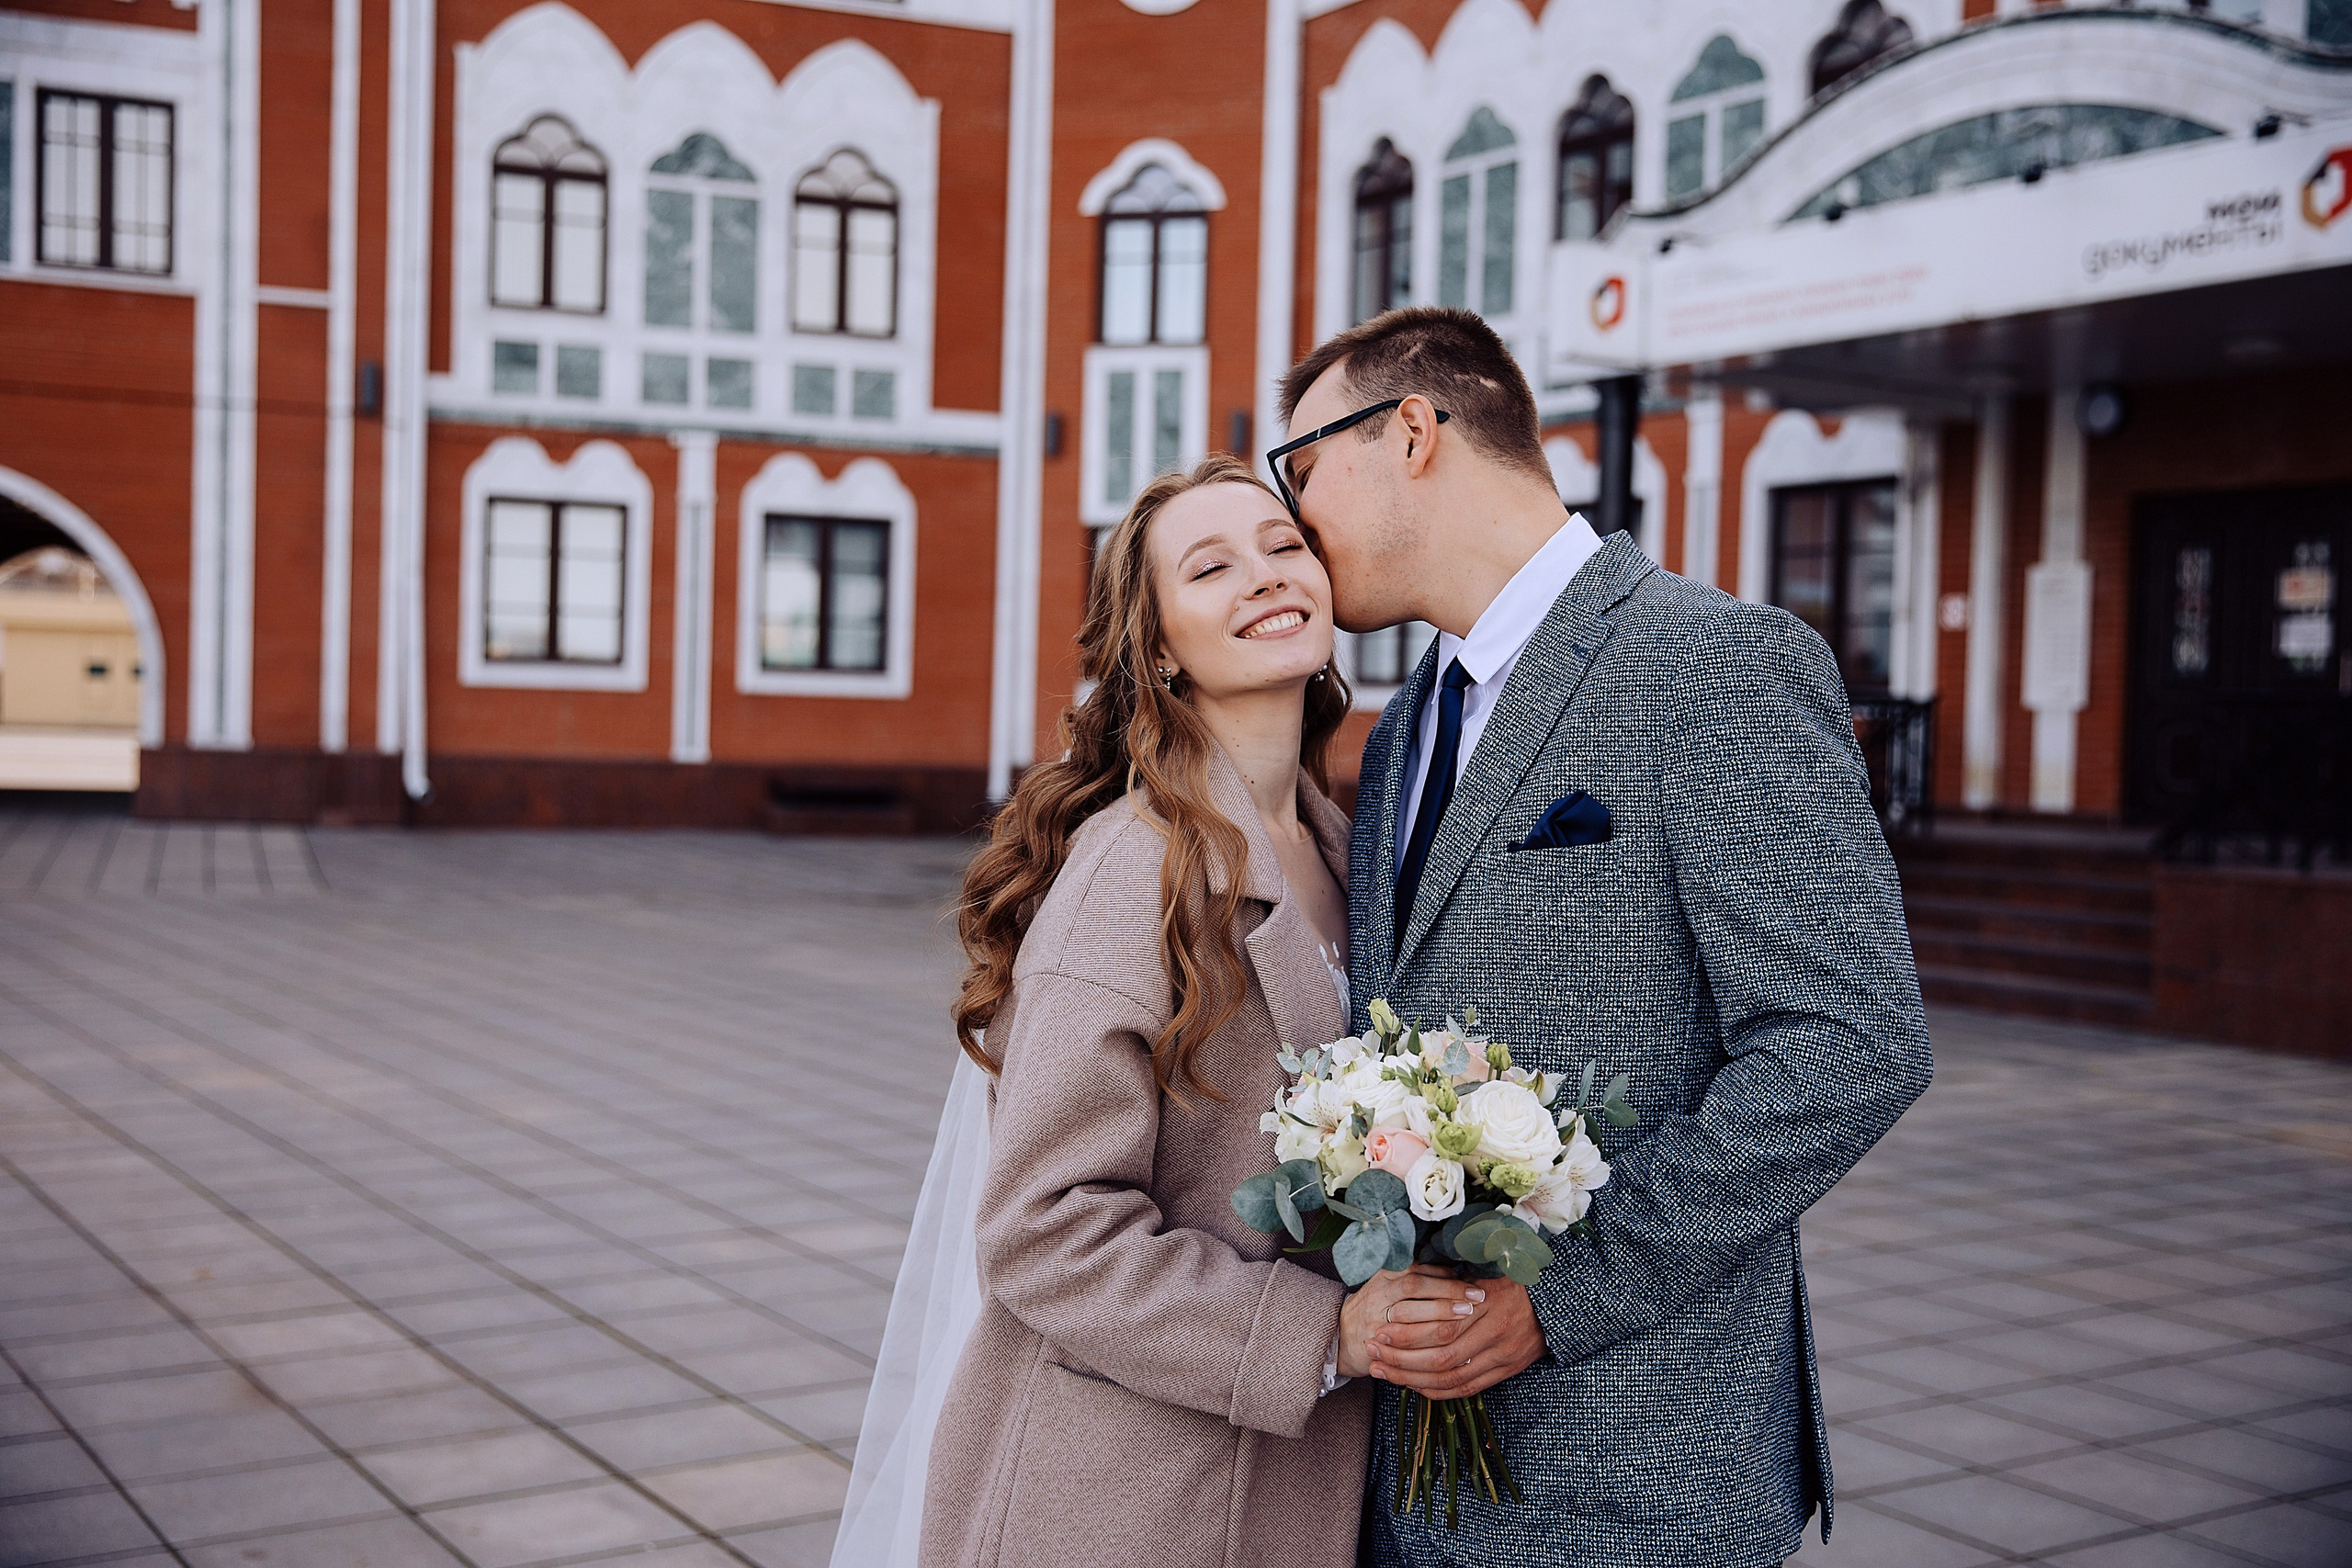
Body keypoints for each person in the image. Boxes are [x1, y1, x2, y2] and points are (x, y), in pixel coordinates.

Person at [1270, 308, 1933, 1568]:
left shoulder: (1715, 662)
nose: (1294, 520)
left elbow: (1850, 1044)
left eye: (1300, 470)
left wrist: (1561, 1296)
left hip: (1639, 1473)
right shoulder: (1408, 723)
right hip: (1412, 1484)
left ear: (1412, 430)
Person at [833, 456, 1484, 1568]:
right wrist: (1323, 1333)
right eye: (1211, 566)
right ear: (1158, 648)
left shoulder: (1345, 847)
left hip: (1278, 1483)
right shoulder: (1134, 872)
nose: (1265, 577)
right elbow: (1042, 1231)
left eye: (1284, 549)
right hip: (1132, 1496)